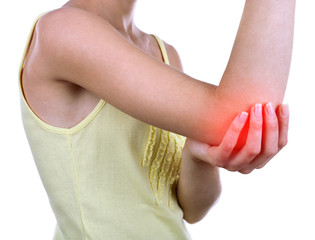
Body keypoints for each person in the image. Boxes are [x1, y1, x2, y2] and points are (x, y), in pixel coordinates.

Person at [19, 0, 294, 239]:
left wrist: (198, 155)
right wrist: (223, 123)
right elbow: (240, 114)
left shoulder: (165, 54)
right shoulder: (64, 31)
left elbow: (192, 210)